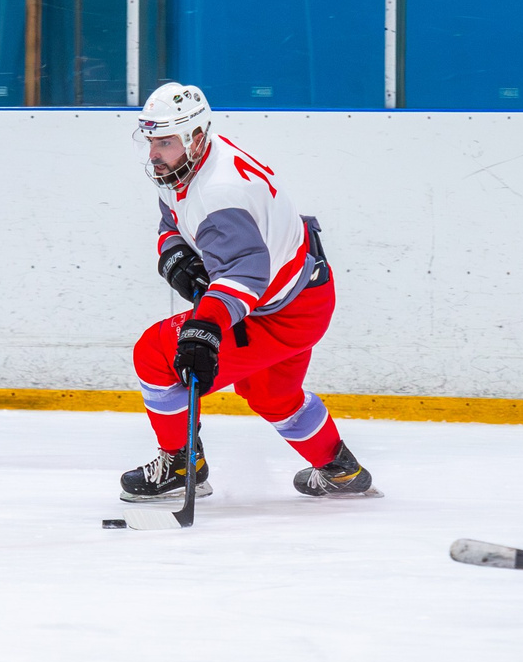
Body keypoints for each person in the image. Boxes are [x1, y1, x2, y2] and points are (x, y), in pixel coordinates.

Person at [123, 82, 373, 503]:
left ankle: (181, 463)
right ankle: (340, 470)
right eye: (151, 141)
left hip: (279, 311)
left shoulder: (219, 192)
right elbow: (174, 219)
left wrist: (206, 327)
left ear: (195, 136)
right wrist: (175, 255)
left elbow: (244, 274)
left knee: (153, 353)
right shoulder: (189, 162)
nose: (153, 154)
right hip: (303, 293)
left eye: (163, 142)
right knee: (270, 393)